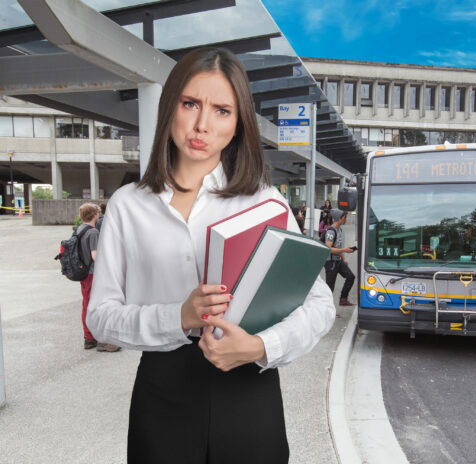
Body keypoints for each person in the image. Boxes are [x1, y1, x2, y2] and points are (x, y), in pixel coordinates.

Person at [86, 47, 335, 463]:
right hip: (163, 392)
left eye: (222, 110)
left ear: (238, 125)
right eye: (191, 104)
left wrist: (261, 347)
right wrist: (179, 317)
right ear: (171, 107)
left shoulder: (264, 202)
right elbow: (101, 316)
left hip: (248, 386)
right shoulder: (129, 204)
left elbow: (320, 303)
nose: (203, 124)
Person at [78, 203, 120, 352]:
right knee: (99, 306)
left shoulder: (80, 229)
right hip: (93, 273)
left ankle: (89, 338)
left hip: (84, 274)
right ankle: (103, 340)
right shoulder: (93, 232)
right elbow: (95, 256)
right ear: (94, 215)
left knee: (87, 305)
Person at [323, 209, 355, 306]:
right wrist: (344, 250)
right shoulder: (331, 231)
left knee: (350, 277)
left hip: (338, 260)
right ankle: (325, 308)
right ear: (340, 218)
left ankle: (343, 299)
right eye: (345, 217)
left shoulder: (339, 229)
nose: (346, 219)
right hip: (330, 262)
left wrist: (343, 258)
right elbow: (328, 248)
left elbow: (338, 246)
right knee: (329, 288)